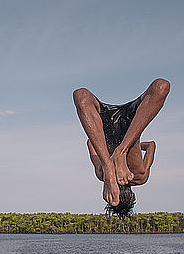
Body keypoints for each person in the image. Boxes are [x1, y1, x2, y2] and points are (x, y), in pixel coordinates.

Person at [73, 78, 170, 216]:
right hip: (128, 124)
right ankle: (121, 151)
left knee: (162, 86)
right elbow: (90, 143)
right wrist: (110, 155)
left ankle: (121, 152)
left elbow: (151, 146)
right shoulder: (102, 175)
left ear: (133, 196)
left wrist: (112, 164)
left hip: (124, 128)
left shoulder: (140, 178)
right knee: (80, 95)